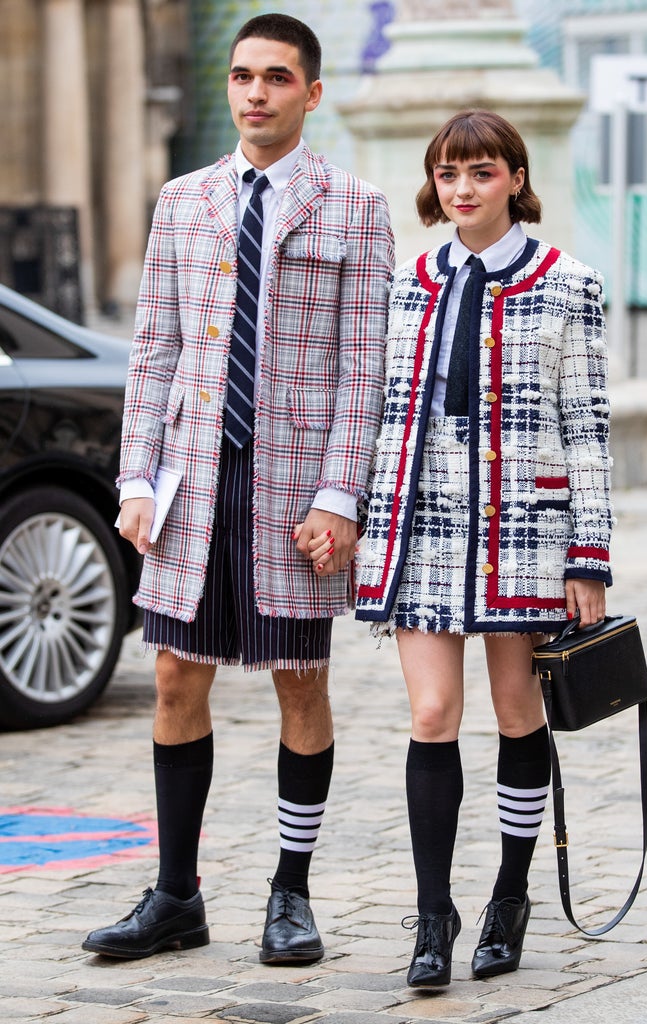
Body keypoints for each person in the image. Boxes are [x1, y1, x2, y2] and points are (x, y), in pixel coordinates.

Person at [82, 13, 393, 964]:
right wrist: (137, 478)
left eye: (277, 77)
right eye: (243, 75)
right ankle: (176, 894)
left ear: (312, 92)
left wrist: (341, 499)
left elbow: (363, 370)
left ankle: (290, 895)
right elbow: (156, 350)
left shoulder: (355, 206)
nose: (255, 92)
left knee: (302, 680)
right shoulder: (182, 201)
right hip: (191, 487)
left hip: (295, 497)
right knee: (177, 675)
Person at [328, 109, 611, 986]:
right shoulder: (406, 283)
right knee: (429, 717)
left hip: (523, 529)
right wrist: (352, 511)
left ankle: (511, 894)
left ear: (515, 181)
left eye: (481, 173)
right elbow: (380, 411)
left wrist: (589, 555)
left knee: (518, 711)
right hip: (422, 527)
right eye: (449, 174)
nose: (463, 189)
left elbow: (588, 426)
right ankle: (432, 915)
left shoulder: (570, 283)